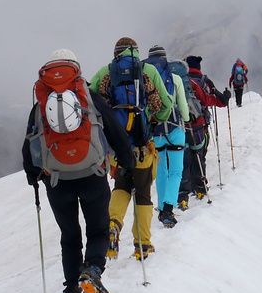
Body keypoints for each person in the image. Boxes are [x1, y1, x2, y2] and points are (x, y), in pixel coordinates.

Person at [22, 48, 136, 293]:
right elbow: (114, 129)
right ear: (77, 70)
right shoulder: (87, 96)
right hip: (92, 175)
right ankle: (93, 271)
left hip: (57, 181)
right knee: (97, 231)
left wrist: (33, 177)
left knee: (69, 237)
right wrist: (127, 161)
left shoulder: (41, 103)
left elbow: (29, 143)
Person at [87, 37, 172, 262]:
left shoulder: (106, 71)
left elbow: (89, 100)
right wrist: (153, 121)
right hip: (143, 145)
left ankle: (113, 224)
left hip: (117, 147)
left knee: (121, 185)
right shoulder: (149, 71)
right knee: (143, 193)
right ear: (135, 51)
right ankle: (142, 244)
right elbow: (166, 104)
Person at [144, 45, 189, 227]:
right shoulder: (175, 78)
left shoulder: (146, 78)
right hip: (175, 128)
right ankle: (168, 209)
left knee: (160, 171)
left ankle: (161, 206)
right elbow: (182, 105)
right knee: (176, 171)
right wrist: (186, 120)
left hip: (156, 133)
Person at [180, 54, 228, 203]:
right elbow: (212, 101)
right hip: (200, 126)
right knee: (199, 156)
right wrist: (224, 97)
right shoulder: (204, 81)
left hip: (181, 126)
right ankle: (200, 188)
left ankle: (182, 194)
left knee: (184, 159)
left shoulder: (180, 81)